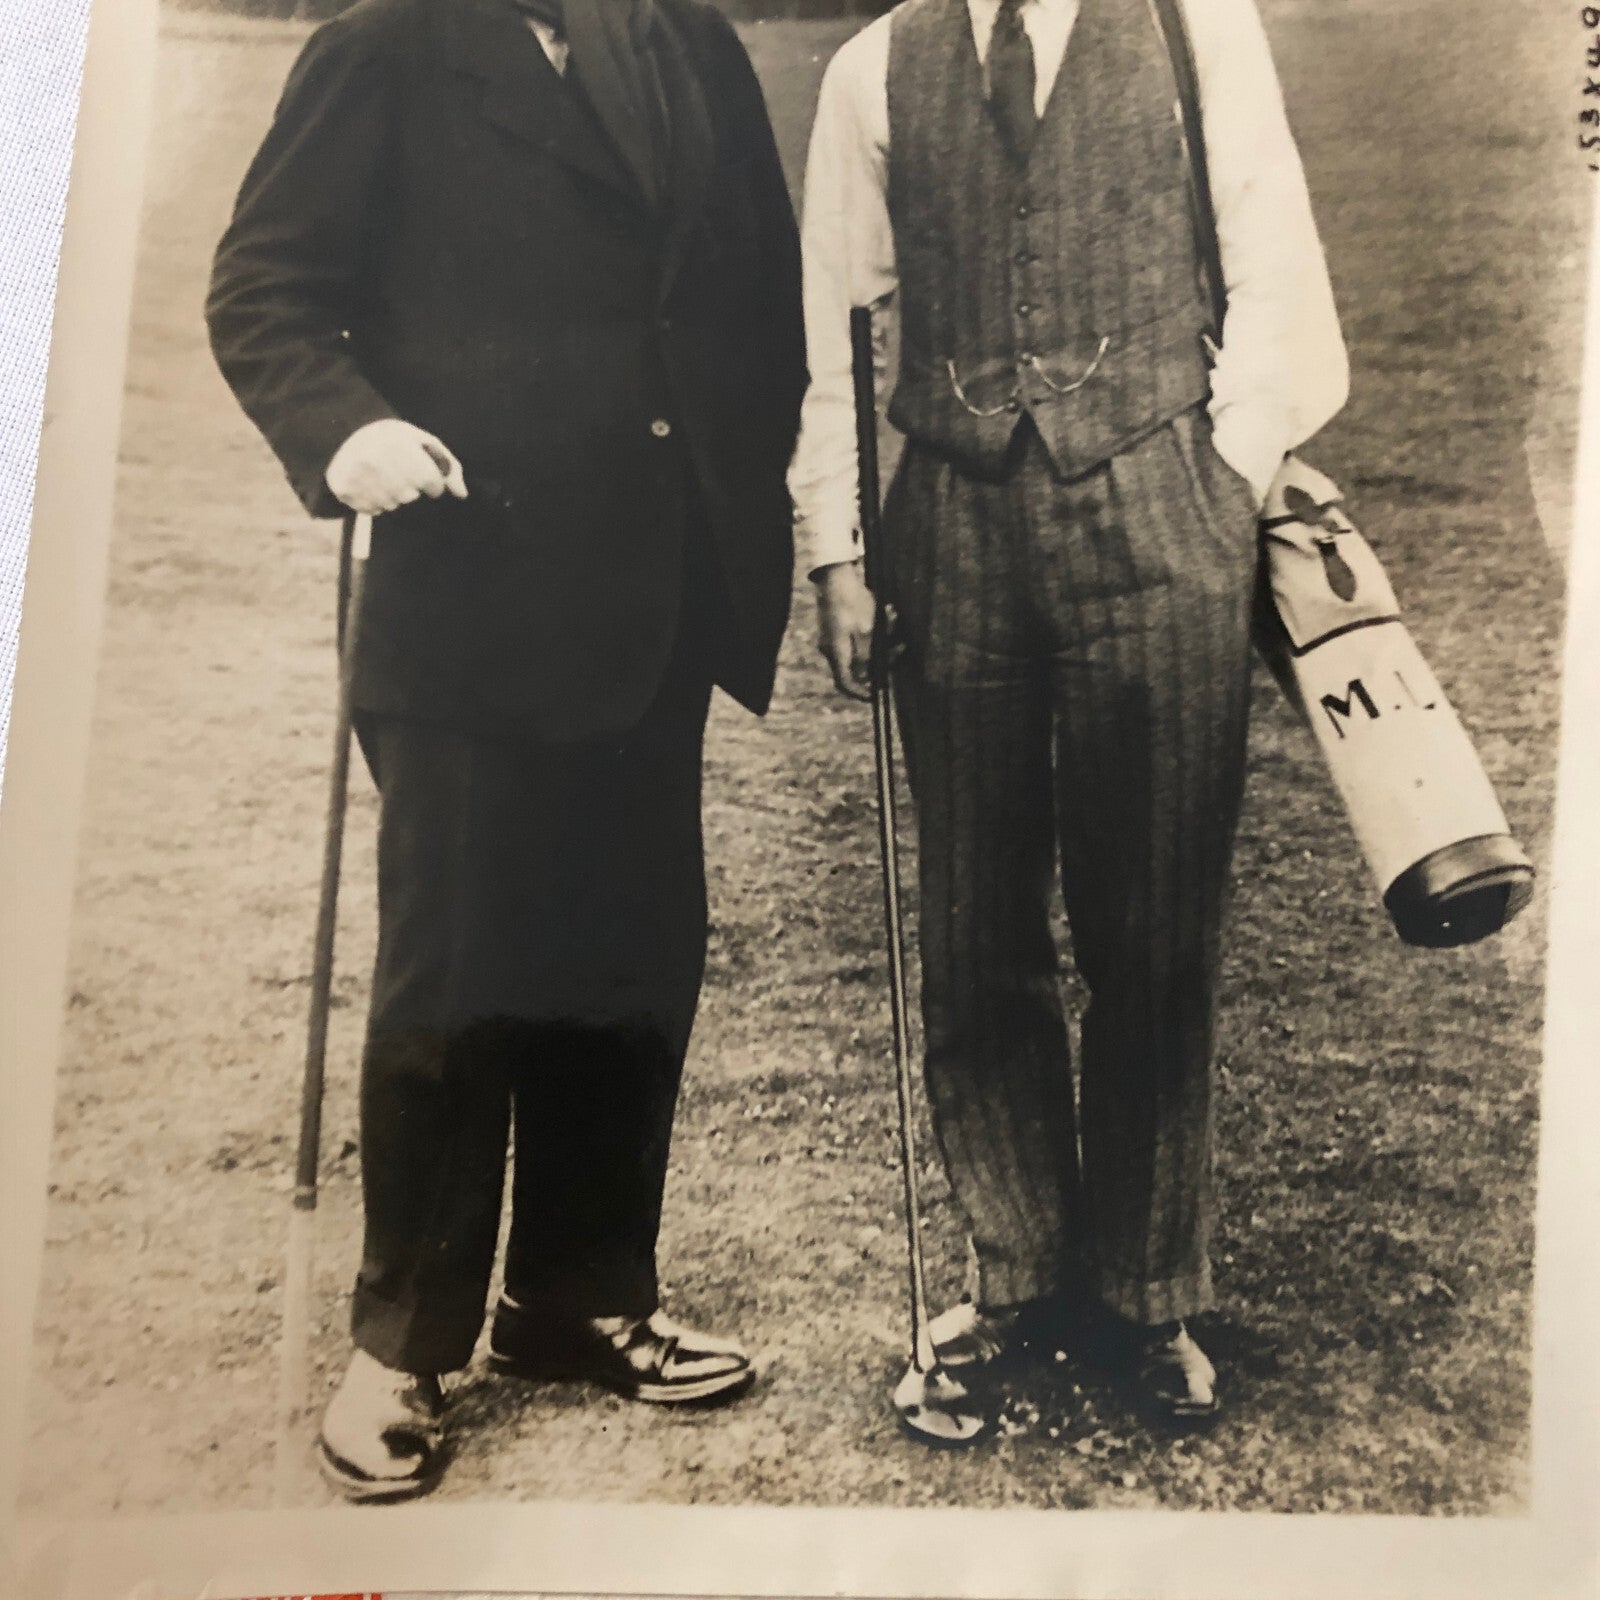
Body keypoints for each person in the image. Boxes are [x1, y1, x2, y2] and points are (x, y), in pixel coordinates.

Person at [208, 0, 805, 1499]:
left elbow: (753, 304)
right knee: (460, 979)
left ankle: (580, 1296)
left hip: (659, 594)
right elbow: (268, 290)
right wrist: (346, 432)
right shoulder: (384, 47)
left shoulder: (692, 46)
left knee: (630, 958)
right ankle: (401, 1349)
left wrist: (746, 499)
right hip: (470, 595)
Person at [791, 0, 1347, 1428]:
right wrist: (840, 549)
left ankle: (1152, 1296)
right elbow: (843, 339)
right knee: (976, 926)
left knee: (1153, 924)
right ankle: (1018, 1268)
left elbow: (1279, 273)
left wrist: (1217, 475)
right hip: (954, 531)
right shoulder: (875, 67)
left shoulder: (1193, 29)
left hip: (1159, 514)